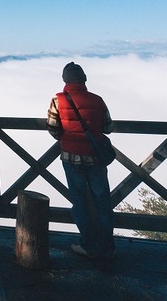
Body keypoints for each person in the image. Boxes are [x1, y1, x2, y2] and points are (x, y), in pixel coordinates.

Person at [47, 61, 115, 260]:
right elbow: (108, 127)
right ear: (84, 79)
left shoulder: (58, 100)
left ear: (65, 80)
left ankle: (87, 244)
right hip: (96, 158)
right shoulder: (98, 100)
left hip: (71, 156)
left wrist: (66, 136)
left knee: (80, 201)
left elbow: (52, 128)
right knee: (102, 201)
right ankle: (107, 246)